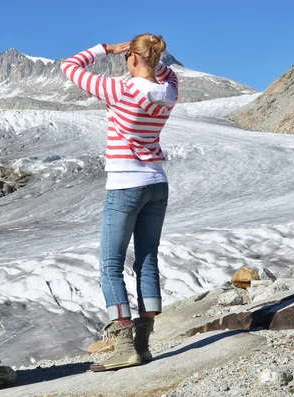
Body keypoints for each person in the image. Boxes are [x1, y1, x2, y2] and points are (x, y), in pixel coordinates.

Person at [60, 34, 178, 371]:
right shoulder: (169, 91)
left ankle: (124, 344)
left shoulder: (122, 91)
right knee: (147, 258)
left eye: (128, 56)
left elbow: (70, 66)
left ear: (132, 58)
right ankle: (144, 342)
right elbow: (166, 72)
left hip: (125, 184)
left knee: (110, 264)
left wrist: (107, 49)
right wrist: (147, 55)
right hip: (157, 182)